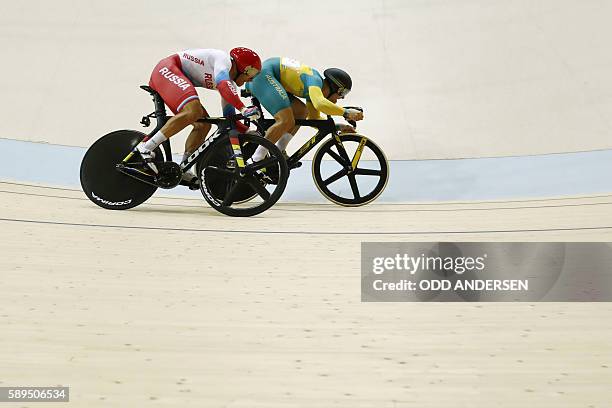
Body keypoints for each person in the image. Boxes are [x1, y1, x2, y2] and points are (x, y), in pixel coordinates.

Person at [135, 47, 262, 184]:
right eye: (253, 74)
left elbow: (230, 118)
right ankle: (146, 147)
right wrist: (243, 109)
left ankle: (183, 168)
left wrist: (248, 131)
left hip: (174, 75)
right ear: (245, 68)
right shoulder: (223, 60)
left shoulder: (229, 85)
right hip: (167, 68)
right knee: (193, 111)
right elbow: (223, 84)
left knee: (203, 125)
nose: (251, 80)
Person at [245, 57, 364, 163]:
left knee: (301, 112)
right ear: (336, 88)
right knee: (286, 120)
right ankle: (256, 159)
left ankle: (279, 151)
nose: (341, 98)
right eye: (342, 93)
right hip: (263, 76)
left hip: (269, 76)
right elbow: (320, 104)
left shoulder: (314, 91)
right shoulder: (315, 81)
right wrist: (346, 112)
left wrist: (337, 127)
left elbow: (314, 119)